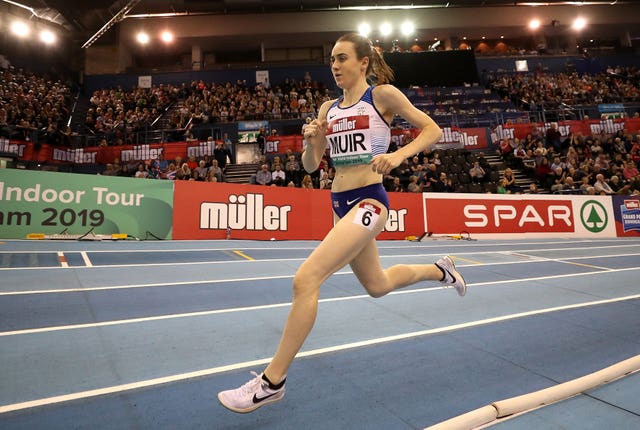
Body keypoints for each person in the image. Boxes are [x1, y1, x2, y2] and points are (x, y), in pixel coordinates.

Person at [217, 32, 467, 414]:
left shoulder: (382, 96)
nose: (334, 65)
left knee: (305, 279)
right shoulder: (327, 108)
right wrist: (312, 141)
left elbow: (431, 129)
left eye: (342, 58)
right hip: (339, 202)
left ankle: (272, 382)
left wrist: (398, 156)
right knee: (377, 285)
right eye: (331, 59)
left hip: (370, 201)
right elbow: (310, 166)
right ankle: (440, 270)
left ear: (363, 62)